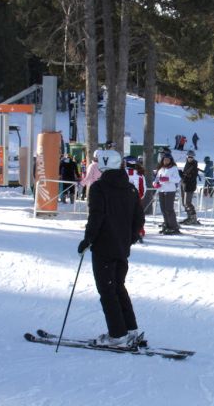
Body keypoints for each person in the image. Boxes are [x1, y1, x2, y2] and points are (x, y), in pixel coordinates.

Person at [77, 149, 145, 348]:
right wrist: (129, 238)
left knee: (108, 291)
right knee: (117, 286)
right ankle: (129, 328)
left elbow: (96, 216)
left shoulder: (100, 188)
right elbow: (139, 218)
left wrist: (88, 239)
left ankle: (118, 335)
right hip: (121, 247)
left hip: (104, 247)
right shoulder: (130, 188)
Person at [154, 153, 181, 234]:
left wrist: (168, 179)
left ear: (170, 160)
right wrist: (155, 183)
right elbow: (156, 179)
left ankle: (174, 226)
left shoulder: (173, 168)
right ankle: (167, 224)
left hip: (170, 191)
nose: (166, 161)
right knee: (163, 209)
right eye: (165, 160)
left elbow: (177, 179)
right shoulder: (161, 169)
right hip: (161, 190)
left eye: (168, 160)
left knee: (169, 209)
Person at [124, 156, 146, 242]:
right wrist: (139, 198)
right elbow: (143, 190)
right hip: (136, 199)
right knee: (137, 216)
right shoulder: (139, 175)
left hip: (124, 199)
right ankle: (139, 231)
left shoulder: (121, 173)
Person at [180, 150, 199, 225]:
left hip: (190, 186)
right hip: (185, 185)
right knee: (184, 203)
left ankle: (193, 218)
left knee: (187, 202)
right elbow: (185, 175)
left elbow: (190, 176)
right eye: (189, 157)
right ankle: (189, 217)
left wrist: (183, 175)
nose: (190, 158)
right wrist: (183, 175)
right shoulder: (187, 164)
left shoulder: (193, 165)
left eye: (191, 157)